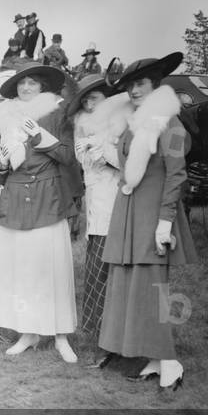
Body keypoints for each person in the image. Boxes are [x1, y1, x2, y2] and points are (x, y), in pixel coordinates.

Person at [97, 52, 197, 391]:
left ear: (155, 85)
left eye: (140, 83)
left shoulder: (170, 123)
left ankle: (170, 361)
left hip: (154, 214)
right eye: (129, 85)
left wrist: (165, 222)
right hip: (129, 213)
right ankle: (151, 356)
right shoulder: (134, 122)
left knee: (155, 289)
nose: (135, 90)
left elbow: (177, 176)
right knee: (132, 286)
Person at [0, 62, 81, 363]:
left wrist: (38, 136)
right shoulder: (7, 118)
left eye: (33, 83)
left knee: (51, 266)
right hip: (16, 196)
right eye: (22, 84)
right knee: (22, 269)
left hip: (47, 196)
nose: (26, 88)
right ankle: (28, 332)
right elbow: (4, 163)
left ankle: (61, 335)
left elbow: (67, 155)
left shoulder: (57, 113)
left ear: (43, 88)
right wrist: (1, 164)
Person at [69, 75, 123, 346]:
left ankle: (115, 328)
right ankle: (94, 326)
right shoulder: (83, 125)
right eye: (86, 99)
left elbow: (127, 162)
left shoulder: (120, 122)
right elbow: (84, 165)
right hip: (95, 203)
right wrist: (85, 149)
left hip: (118, 201)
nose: (90, 103)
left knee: (113, 266)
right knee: (96, 265)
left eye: (95, 97)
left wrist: (102, 151)